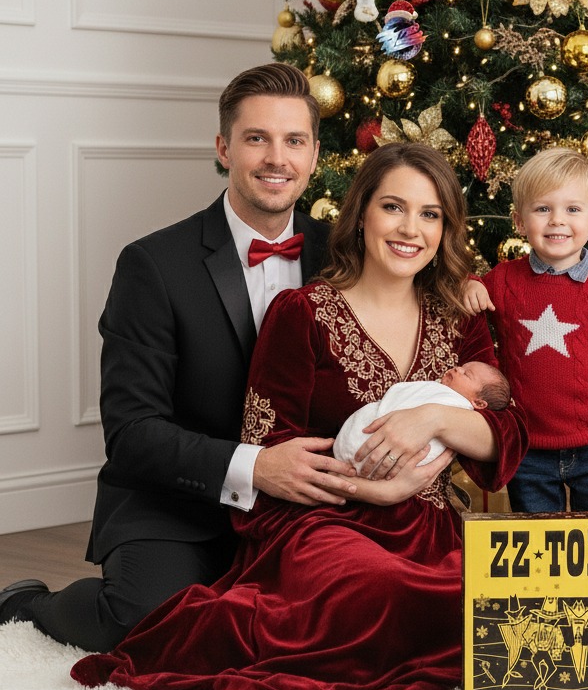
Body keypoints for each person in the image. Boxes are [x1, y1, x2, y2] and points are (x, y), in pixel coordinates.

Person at [71, 141, 529, 690]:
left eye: (431, 214)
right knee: (376, 587)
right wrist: (376, 490)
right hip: (320, 523)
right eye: (394, 207)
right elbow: (272, 458)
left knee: (503, 598)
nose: (411, 228)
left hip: (430, 524)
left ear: (445, 229)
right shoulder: (301, 312)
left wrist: (434, 417)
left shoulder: (458, 316)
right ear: (361, 213)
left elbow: (508, 438)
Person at [0, 63, 364, 652]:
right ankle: (27, 605)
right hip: (178, 498)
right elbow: (132, 432)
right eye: (256, 138)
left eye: (294, 140)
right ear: (223, 149)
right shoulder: (152, 266)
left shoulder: (347, 257)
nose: (278, 158)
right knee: (145, 623)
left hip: (305, 505)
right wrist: (255, 467)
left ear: (316, 155)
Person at [462, 147, 588, 634]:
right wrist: (466, 283)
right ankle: (548, 621)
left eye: (572, 210)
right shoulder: (504, 281)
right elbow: (457, 287)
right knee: (540, 540)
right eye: (543, 209)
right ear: (519, 219)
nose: (557, 221)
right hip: (528, 446)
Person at [333, 361, 510, 473]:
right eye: (461, 367)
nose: (458, 369)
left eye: (466, 374)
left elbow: (505, 436)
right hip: (363, 451)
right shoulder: (437, 389)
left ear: (479, 403)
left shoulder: (456, 405)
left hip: (395, 460)